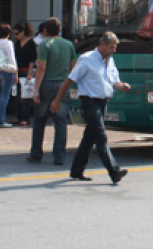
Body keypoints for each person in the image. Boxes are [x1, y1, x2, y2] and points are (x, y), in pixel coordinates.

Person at [51, 32, 131, 184]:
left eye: (115, 47)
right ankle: (114, 171)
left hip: (103, 103)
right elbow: (69, 80)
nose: (114, 50)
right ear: (102, 45)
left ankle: (76, 170)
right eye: (111, 47)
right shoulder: (86, 59)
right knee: (101, 137)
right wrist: (57, 100)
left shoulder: (109, 60)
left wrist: (122, 86)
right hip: (90, 103)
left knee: (89, 138)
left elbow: (114, 80)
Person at [28, 17, 77, 165]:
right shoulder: (69, 45)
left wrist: (36, 90)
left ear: (45, 30)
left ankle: (36, 154)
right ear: (60, 29)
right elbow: (73, 67)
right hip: (62, 84)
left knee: (39, 120)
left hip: (47, 84)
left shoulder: (44, 45)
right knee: (61, 121)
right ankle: (59, 156)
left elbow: (41, 69)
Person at [12, 22, 37, 125]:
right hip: (17, 70)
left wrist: (29, 72)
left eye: (17, 33)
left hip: (26, 70)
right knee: (17, 95)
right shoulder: (16, 44)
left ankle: (25, 118)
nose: (16, 36)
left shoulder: (31, 43)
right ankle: (19, 117)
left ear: (23, 32)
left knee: (25, 95)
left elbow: (32, 59)